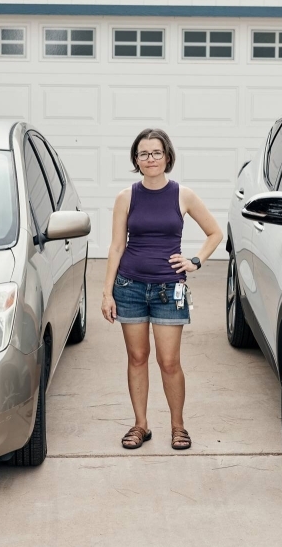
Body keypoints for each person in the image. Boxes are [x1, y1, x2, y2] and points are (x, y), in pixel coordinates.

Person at [100, 128, 222, 451]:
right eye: (143, 154)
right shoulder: (126, 197)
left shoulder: (183, 195)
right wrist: (107, 292)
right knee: (137, 357)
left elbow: (214, 233)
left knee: (169, 362)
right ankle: (141, 425)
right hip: (130, 286)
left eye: (156, 153)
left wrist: (195, 260)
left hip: (169, 290)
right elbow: (115, 247)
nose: (150, 159)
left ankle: (178, 426)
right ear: (136, 160)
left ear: (167, 156)